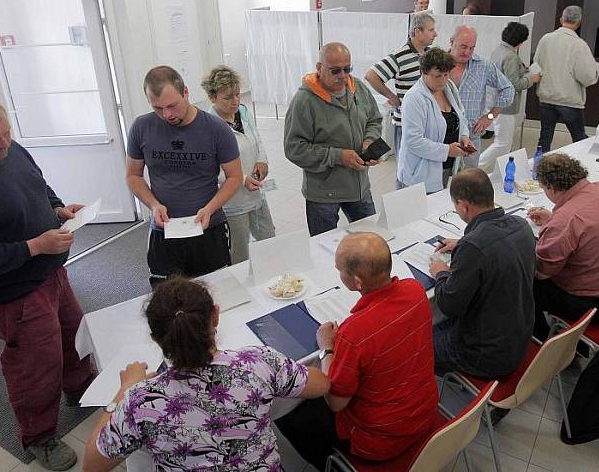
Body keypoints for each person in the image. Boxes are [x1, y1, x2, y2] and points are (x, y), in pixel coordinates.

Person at [0, 94, 94, 471]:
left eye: (7, 132)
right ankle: (39, 437)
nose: (5, 144)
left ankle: (80, 388)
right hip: (14, 294)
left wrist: (58, 208)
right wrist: (34, 246)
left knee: (74, 335)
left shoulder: (10, 148)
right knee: (34, 366)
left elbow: (39, 186)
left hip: (52, 273)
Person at [83, 277, 330, 471]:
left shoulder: (140, 401)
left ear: (156, 340)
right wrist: (327, 348)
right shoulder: (257, 362)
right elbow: (321, 385)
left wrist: (123, 392)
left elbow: (92, 466)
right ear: (216, 316)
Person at [276, 233, 437, 469]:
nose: (337, 272)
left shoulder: (353, 333)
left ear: (357, 282)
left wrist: (326, 349)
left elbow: (336, 403)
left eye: (339, 269)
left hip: (380, 439)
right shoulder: (414, 289)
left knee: (291, 414)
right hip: (424, 411)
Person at [126, 66, 242, 285]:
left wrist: (210, 208)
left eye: (172, 105)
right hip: (164, 231)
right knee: (166, 300)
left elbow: (235, 177)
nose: (167, 115)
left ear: (186, 92)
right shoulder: (142, 127)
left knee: (217, 294)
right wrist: (153, 205)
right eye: (158, 108)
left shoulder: (216, 129)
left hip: (209, 230)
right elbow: (133, 175)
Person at [429, 168, 535, 378]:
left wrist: (440, 273)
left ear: (463, 205)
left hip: (484, 355)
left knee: (411, 345)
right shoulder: (521, 225)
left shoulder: (473, 247)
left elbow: (448, 305)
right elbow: (496, 246)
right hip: (517, 335)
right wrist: (463, 244)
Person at [527, 154, 599, 340]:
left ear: (551, 188)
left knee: (523, 283)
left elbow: (542, 272)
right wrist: (554, 220)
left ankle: (544, 342)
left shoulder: (566, 220)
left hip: (596, 306)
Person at [284, 42, 383, 236]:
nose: (343, 76)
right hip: (323, 194)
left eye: (347, 69)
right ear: (319, 68)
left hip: (359, 188)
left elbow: (374, 120)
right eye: (336, 70)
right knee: (324, 252)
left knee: (370, 242)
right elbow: (294, 148)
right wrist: (337, 157)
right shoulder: (304, 102)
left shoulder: (359, 89)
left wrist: (369, 142)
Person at [202, 66, 275, 264]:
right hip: (232, 201)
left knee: (269, 241)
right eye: (227, 97)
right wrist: (242, 179)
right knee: (239, 253)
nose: (235, 101)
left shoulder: (242, 112)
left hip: (256, 193)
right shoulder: (208, 127)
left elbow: (256, 138)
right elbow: (212, 170)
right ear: (212, 97)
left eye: (237, 95)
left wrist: (262, 160)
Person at [365, 11, 437, 168]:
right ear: (418, 32)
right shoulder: (400, 55)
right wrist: (391, 96)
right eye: (431, 30)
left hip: (425, 121)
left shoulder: (429, 54)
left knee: (422, 167)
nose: (435, 34)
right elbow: (371, 75)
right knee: (405, 168)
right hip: (406, 123)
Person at [398, 47, 474, 192]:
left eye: (446, 74)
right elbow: (413, 141)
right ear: (423, 72)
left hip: (445, 167)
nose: (443, 80)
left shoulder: (449, 87)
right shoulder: (414, 98)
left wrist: (464, 136)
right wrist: (447, 151)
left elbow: (461, 115)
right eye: (437, 76)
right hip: (420, 172)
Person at [534, 6, 599, 152]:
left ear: (561, 19)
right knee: (579, 139)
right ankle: (580, 168)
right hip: (569, 100)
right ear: (578, 23)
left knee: (545, 137)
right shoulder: (579, 45)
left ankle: (539, 167)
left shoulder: (546, 39)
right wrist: (597, 67)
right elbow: (587, 76)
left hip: (546, 97)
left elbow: (537, 64)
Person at [448, 25, 515, 168]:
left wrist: (490, 116)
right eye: (463, 46)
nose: (467, 52)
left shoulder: (483, 67)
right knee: (437, 184)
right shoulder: (438, 65)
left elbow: (508, 89)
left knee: (468, 182)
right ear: (451, 42)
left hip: (471, 136)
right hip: (442, 137)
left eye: (472, 48)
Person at [479, 22, 541, 172]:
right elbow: (513, 84)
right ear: (521, 41)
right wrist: (531, 79)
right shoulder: (511, 56)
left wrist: (521, 70)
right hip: (505, 106)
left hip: (495, 102)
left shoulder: (498, 51)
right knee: (503, 143)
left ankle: (492, 170)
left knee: (503, 142)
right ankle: (476, 166)